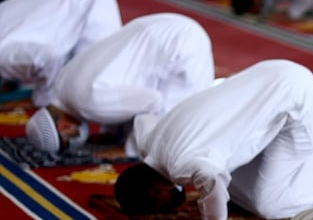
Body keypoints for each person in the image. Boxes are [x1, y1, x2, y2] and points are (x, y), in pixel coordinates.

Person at [115, 60, 313, 220]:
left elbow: (213, 183)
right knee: (242, 187)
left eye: (160, 205)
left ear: (157, 190)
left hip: (292, 98)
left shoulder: (183, 166)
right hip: (267, 74)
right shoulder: (149, 143)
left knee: (272, 205)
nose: (167, 207)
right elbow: (143, 119)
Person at [25, 13, 214, 154]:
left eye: (69, 140)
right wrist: (112, 133)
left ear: (63, 128)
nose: (75, 137)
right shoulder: (61, 85)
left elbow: (153, 101)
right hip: (164, 25)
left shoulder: (88, 105)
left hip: (182, 48)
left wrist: (128, 149)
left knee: (172, 137)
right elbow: (117, 87)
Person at [0, 0, 121, 106]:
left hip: (90, 5)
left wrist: (40, 99)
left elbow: (51, 58)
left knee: (82, 93)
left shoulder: (3, 56)